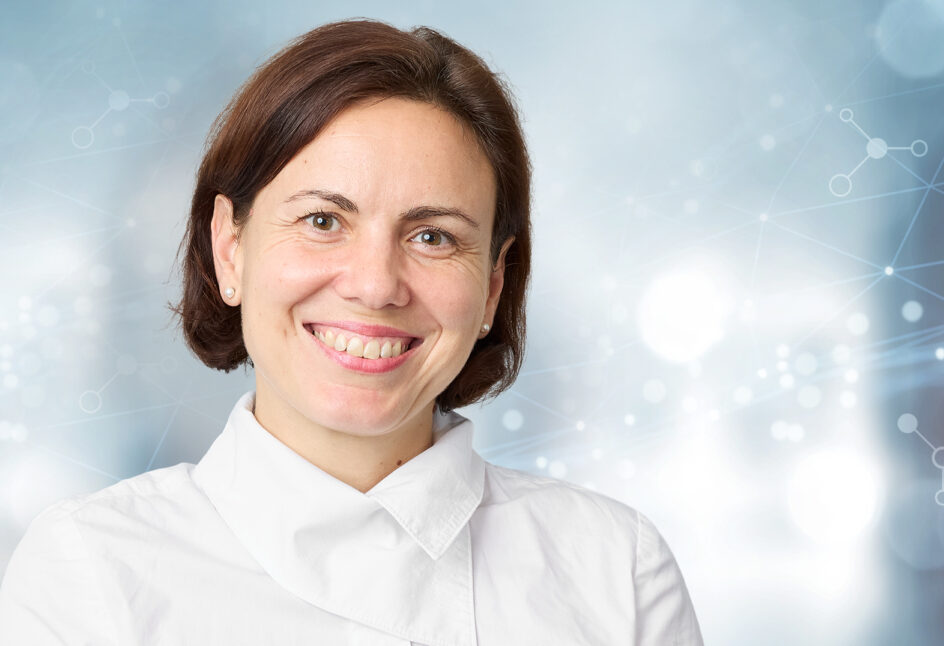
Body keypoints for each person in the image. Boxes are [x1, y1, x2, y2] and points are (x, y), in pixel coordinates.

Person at [0, 18, 703, 645]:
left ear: (493, 284)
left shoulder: (616, 574)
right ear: (230, 249)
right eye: (323, 221)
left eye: (432, 236)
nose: (374, 285)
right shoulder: (90, 570)